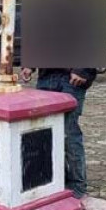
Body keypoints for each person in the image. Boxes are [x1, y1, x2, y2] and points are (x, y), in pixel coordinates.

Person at [20, 66, 96, 199]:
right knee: (44, 133)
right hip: (46, 77)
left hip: (72, 78)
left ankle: (77, 187)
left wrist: (84, 70)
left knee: (68, 133)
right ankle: (55, 181)